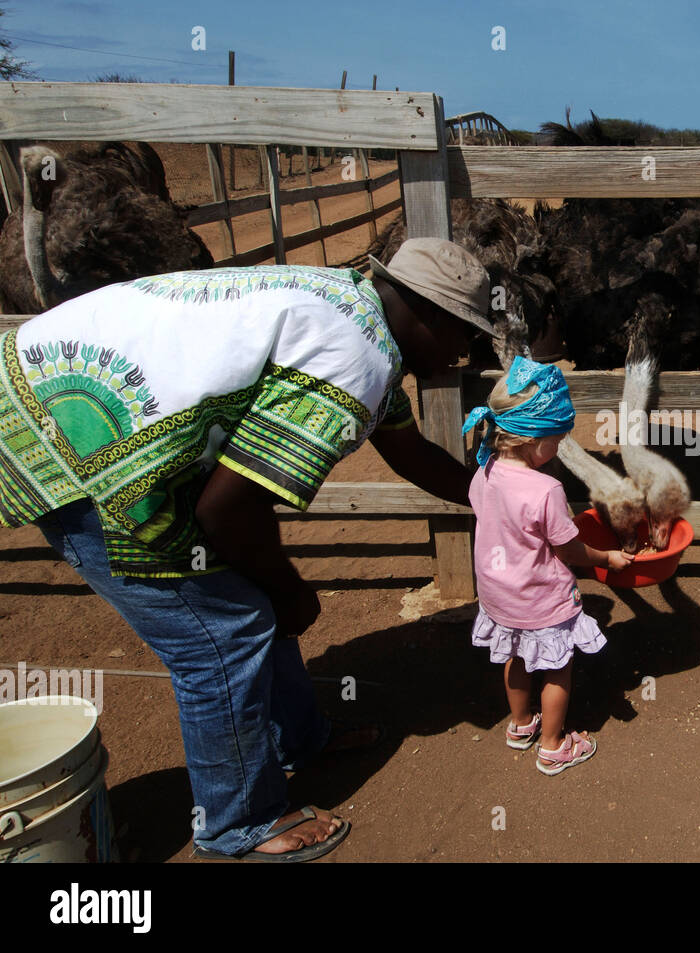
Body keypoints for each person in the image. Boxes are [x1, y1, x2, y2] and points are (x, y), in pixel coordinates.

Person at [0, 237, 495, 860]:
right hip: (73, 437)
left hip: (65, 391)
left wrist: (499, 494)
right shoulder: (352, 359)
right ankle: (237, 822)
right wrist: (290, 588)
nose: (463, 355)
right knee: (223, 634)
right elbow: (226, 507)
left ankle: (299, 738)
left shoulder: (354, 313)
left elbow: (409, 452)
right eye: (464, 337)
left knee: (251, 595)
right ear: (430, 315)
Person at [462, 357, 632, 774]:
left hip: (498, 595)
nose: (560, 447)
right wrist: (606, 557)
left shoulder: (485, 468)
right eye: (558, 439)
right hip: (540, 599)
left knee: (515, 658)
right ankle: (554, 746)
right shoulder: (546, 489)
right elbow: (570, 549)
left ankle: (520, 725)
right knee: (558, 668)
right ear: (533, 440)